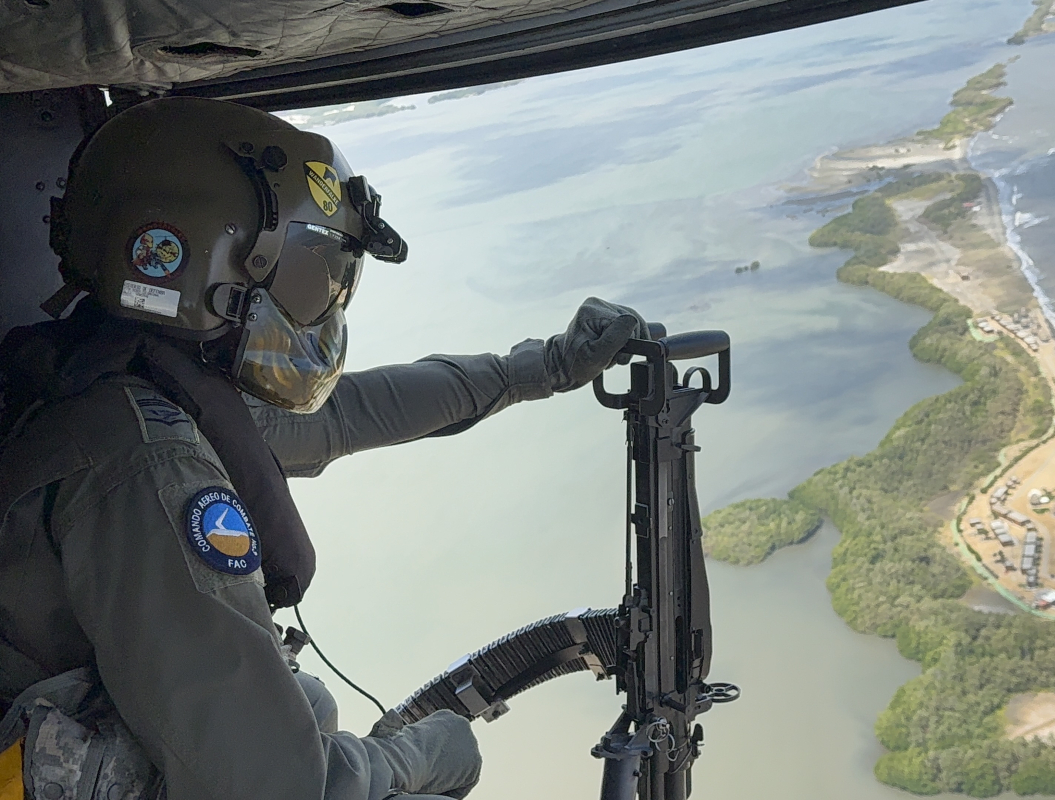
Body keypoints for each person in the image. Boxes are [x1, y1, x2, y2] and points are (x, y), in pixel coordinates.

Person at [0, 97, 648, 800]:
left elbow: (347, 415)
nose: (323, 298)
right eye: (307, 272)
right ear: (204, 258)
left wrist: (539, 369)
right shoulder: (151, 464)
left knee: (310, 703)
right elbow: (273, 787)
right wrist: (424, 755)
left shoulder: (99, 381)